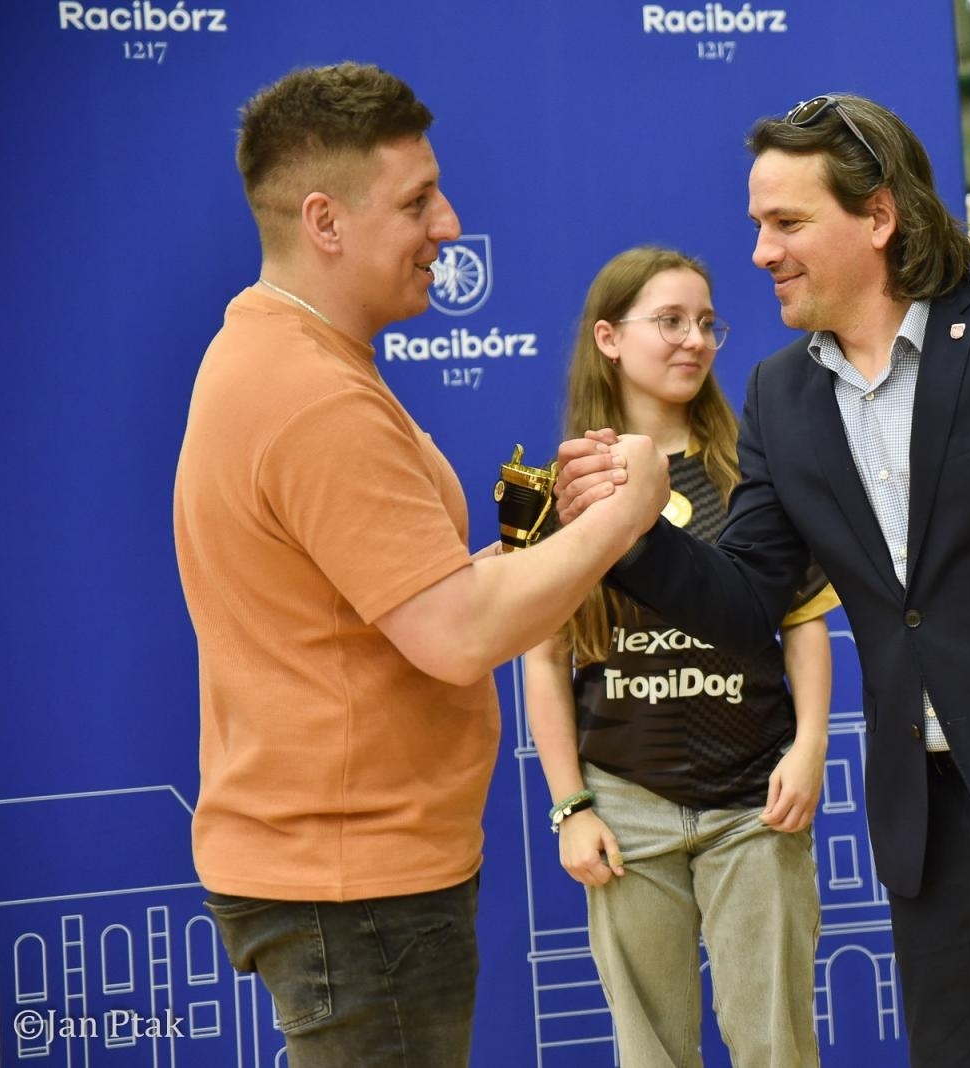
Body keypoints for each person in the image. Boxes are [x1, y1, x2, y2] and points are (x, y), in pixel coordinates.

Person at [556, 94, 970, 1066]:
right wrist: (638, 530)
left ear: (877, 215)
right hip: (925, 836)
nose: (759, 252)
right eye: (757, 225)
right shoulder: (782, 397)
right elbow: (749, 601)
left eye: (785, 223)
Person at [172, 63, 666, 1067]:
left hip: (350, 879)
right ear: (325, 221)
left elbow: (406, 600)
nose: (448, 224)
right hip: (357, 892)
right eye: (415, 201)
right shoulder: (314, 398)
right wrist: (627, 519)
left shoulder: (285, 357)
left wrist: (555, 537)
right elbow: (456, 633)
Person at [524, 246, 836, 1066]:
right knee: (650, 1053)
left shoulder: (753, 473)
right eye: (668, 321)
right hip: (626, 810)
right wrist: (571, 807)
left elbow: (803, 621)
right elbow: (546, 661)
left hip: (754, 807)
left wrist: (809, 749)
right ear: (609, 338)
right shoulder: (566, 489)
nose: (693, 340)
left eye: (706, 323)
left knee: (779, 1048)